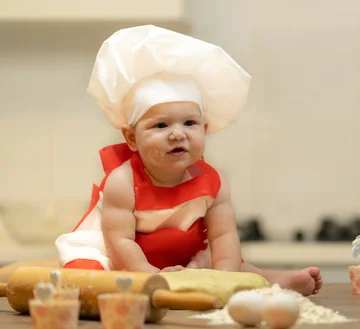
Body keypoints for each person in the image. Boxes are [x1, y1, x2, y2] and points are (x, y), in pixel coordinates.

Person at [0, 25, 322, 296]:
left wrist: (227, 282)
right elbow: (120, 242)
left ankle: (276, 280)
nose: (177, 134)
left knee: (230, 263)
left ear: (205, 129)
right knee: (90, 274)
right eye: (161, 125)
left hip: (177, 256)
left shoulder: (213, 183)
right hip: (119, 255)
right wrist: (155, 281)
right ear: (131, 139)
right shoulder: (123, 183)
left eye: (189, 124)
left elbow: (224, 238)